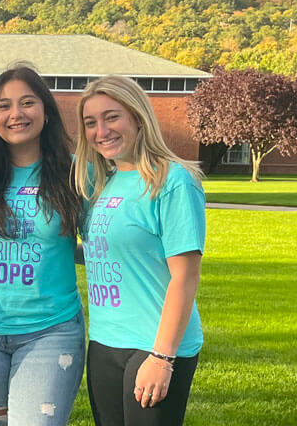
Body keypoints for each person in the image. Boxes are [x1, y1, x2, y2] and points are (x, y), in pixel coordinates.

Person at [0, 64, 87, 425]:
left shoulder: (75, 173)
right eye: (4, 105)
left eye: (27, 102)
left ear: (46, 110)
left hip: (50, 332)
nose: (16, 114)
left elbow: (105, 242)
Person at [76, 75, 205, 426]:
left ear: (137, 116)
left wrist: (162, 357)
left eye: (111, 117)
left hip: (155, 344)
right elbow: (103, 248)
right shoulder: (102, 183)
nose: (101, 131)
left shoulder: (173, 181)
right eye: (91, 123)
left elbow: (185, 276)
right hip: (104, 342)